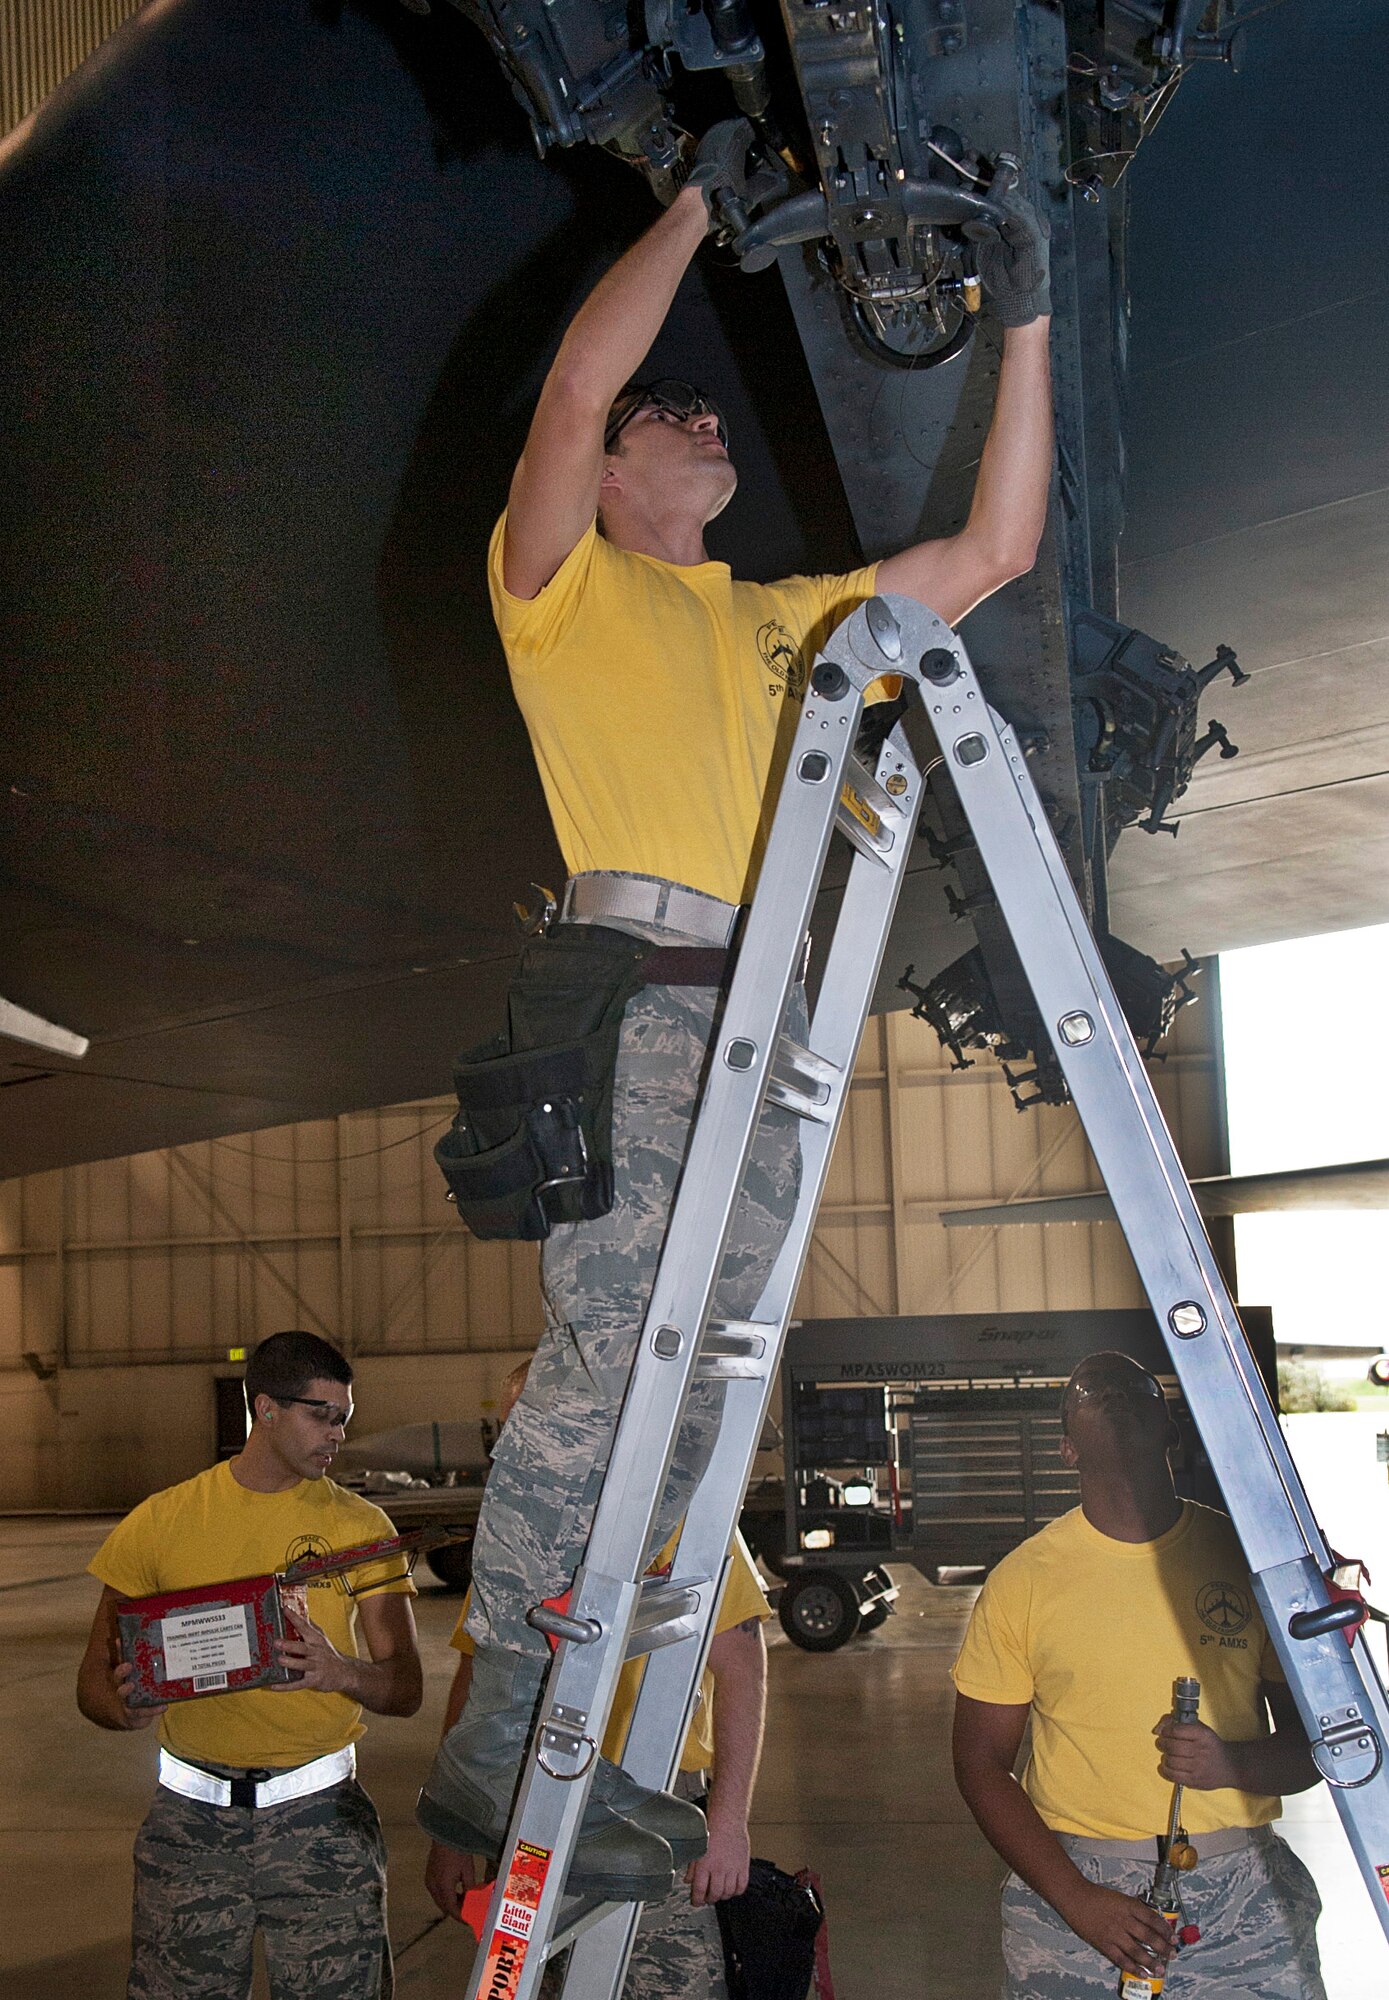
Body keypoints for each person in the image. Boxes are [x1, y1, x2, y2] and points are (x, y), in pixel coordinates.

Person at [420, 119, 1055, 1897]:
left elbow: (995, 549)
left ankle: (597, 1733)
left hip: (764, 1037)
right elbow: (563, 391)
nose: (697, 421)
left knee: (700, 1408)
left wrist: (1021, 323)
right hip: (634, 1011)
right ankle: (499, 1743)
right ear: (611, 476)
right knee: (607, 1362)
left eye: (705, 415)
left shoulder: (797, 619)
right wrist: (696, 208)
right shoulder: (558, 592)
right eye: (666, 416)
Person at [951, 1349, 1326, 1999]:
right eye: (1088, 1391)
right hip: (1079, 1896)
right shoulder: (1023, 1582)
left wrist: (1229, 1765)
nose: (1111, 1394)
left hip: (1245, 1895)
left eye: (1134, 1389)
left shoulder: (1246, 1564)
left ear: (1172, 1432)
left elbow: (1312, 1751)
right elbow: (979, 1763)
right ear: (1066, 1449)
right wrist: (1076, 1899)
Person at [78, 1329, 423, 2000]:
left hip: (323, 1823)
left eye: (343, 1419)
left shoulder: (362, 1529)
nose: (337, 1435)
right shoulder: (159, 1523)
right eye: (320, 1415)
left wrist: (342, 1672)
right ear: (265, 1409)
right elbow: (94, 1679)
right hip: (189, 1830)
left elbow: (405, 1686)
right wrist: (124, 1708)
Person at [425, 1358, 771, 1998]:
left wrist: (727, 1821)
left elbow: (742, 1667)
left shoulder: (685, 1528)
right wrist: (455, 1832)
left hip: (650, 1804)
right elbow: (477, 1679)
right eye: (518, 1431)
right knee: (532, 1983)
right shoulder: (516, 1549)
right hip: (530, 1808)